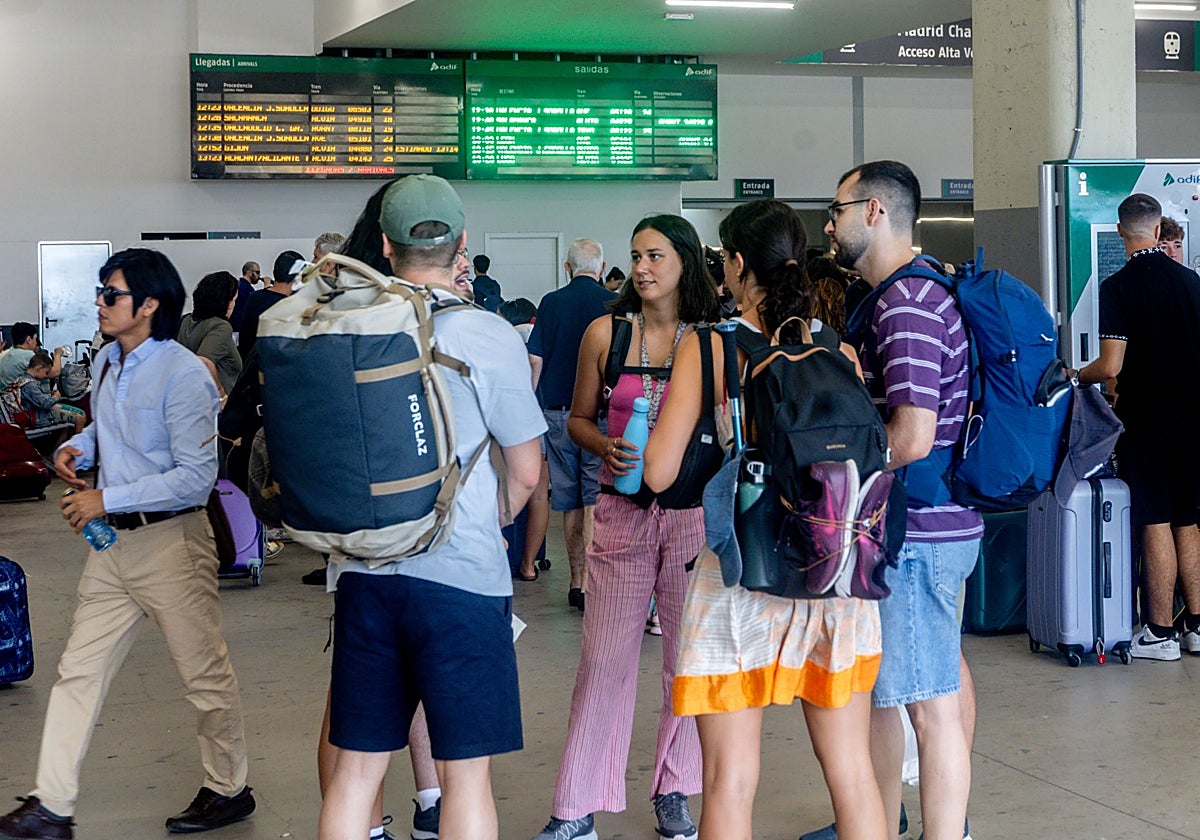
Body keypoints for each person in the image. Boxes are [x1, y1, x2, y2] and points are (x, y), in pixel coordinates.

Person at [642, 199, 886, 840]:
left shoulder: (713, 347)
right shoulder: (839, 350)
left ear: (738, 263)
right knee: (853, 773)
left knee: (731, 780)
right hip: (834, 572)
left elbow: (660, 473)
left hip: (741, 578)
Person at [318, 175, 544, 840]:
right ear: (462, 245)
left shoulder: (345, 327)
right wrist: (479, 518)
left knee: (357, 772)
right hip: (462, 577)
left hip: (364, 571)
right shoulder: (486, 332)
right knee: (464, 776)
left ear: (384, 245)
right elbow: (527, 471)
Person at [0, 249, 254, 840]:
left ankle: (228, 789)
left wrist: (103, 500)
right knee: (77, 672)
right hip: (115, 548)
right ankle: (51, 808)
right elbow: (110, 431)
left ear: (149, 305)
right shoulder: (112, 362)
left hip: (172, 546)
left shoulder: (186, 374)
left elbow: (194, 476)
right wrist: (79, 450)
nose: (98, 303)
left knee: (205, 678)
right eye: (99, 292)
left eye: (109, 294)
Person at [531, 215, 717, 840]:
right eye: (636, 256)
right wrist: (604, 445)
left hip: (692, 519)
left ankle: (674, 790)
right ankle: (574, 804)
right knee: (603, 660)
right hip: (619, 513)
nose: (642, 268)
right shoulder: (604, 333)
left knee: (684, 664)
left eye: (656, 256)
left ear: (685, 262)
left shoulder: (712, 342)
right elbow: (577, 418)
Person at [818, 160, 981, 840]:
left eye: (839, 209)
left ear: (876, 212)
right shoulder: (910, 291)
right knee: (901, 697)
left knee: (929, 707)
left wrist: (835, 463)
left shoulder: (906, 303)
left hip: (916, 531)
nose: (830, 224)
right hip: (927, 525)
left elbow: (911, 436)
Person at [303, 180, 447, 840]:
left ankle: (373, 819)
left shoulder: (325, 327)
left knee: (358, 706)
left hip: (357, 543)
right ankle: (426, 801)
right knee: (408, 696)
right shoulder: (430, 322)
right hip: (438, 540)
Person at [1078, 193, 1200, 661]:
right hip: (1194, 420)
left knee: (1155, 519)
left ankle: (1159, 631)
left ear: (1119, 232)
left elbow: (1111, 366)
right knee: (1189, 520)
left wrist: (1074, 374)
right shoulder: (1191, 282)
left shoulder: (1119, 287)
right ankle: (1195, 626)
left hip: (1148, 420)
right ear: (1156, 231)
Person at [526, 238, 616, 604]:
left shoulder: (551, 302)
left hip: (558, 412)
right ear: (603, 268)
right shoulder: (613, 304)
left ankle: (576, 582)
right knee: (595, 494)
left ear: (567, 268)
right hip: (601, 414)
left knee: (568, 498)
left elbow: (535, 360)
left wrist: (530, 408)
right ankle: (595, 584)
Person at [500, 297, 552, 583]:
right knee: (540, 495)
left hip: (517, 422)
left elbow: (533, 363)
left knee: (511, 488)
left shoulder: (510, 338)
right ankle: (530, 564)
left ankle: (506, 557)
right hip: (546, 420)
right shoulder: (540, 333)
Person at [177, 271, 243, 396]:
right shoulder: (221, 327)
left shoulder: (184, 320)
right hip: (215, 406)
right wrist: (221, 395)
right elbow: (204, 362)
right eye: (234, 300)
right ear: (227, 303)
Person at [3, 351, 86, 437]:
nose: (46, 376)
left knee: (68, 424)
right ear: (39, 368)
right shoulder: (30, 385)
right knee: (80, 416)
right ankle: (75, 446)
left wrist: (51, 395)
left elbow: (37, 398)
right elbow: (45, 404)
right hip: (38, 417)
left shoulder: (22, 379)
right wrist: (56, 397)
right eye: (46, 372)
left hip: (33, 412)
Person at [237, 250, 303, 359]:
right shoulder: (289, 306)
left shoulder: (253, 297)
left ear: (274, 271)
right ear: (298, 276)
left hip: (249, 366)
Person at [0, 322, 63, 389]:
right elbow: (54, 372)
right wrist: (57, 354)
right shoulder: (27, 355)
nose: (36, 342)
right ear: (29, 340)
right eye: (35, 339)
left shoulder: (8, 353)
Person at [229, 261, 260, 334]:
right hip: (239, 328)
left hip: (233, 327)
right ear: (249, 272)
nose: (259, 276)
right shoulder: (247, 289)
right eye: (257, 272)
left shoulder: (238, 285)